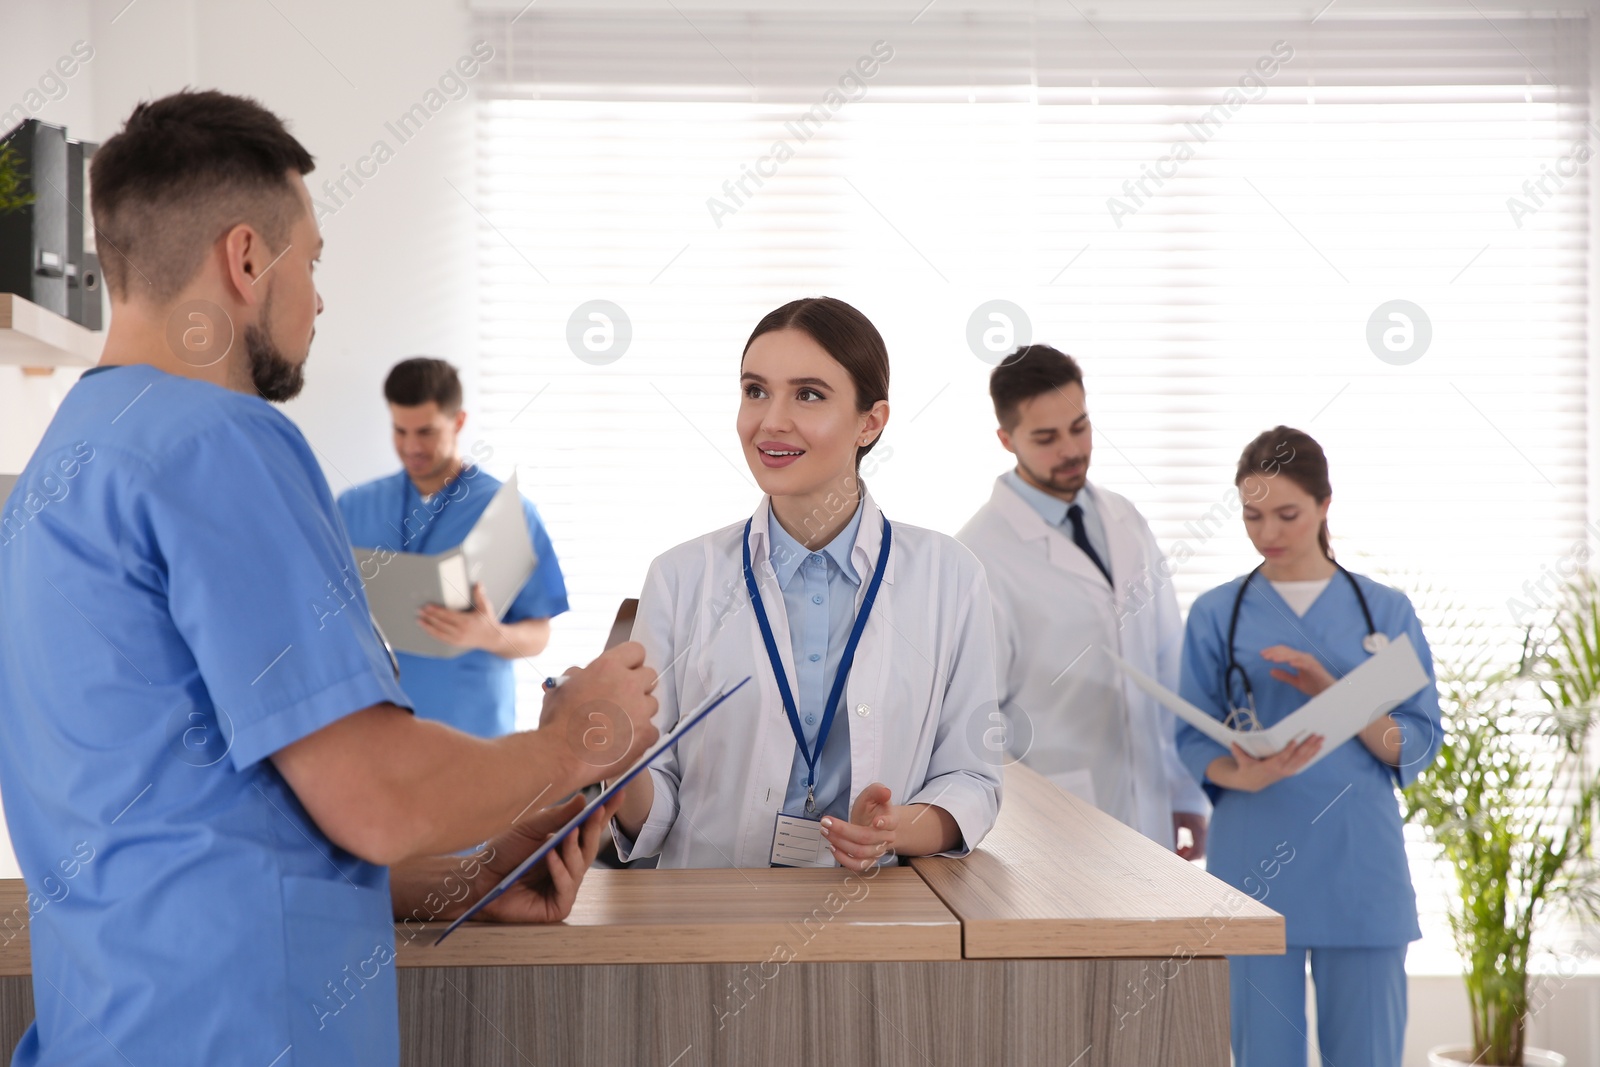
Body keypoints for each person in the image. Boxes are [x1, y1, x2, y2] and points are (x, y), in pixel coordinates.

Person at [0, 90, 658, 1067]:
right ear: (246, 258)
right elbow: (377, 797)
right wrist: (574, 742)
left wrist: (463, 874)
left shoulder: (61, 467)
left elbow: (211, 826)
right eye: (312, 260)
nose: (318, 295)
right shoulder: (220, 442)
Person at [611, 296, 1002, 870]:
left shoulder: (950, 576)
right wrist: (617, 759)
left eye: (809, 394)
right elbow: (658, 802)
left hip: (876, 917)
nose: (771, 421)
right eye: (755, 391)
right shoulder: (680, 577)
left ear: (871, 423)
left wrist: (896, 829)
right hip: (711, 913)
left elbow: (971, 777)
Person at [1176, 426, 1442, 1067]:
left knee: (1369, 1056)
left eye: (1287, 513)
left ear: (1325, 506)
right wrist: (1242, 776)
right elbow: (1190, 736)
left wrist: (1338, 692)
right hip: (1252, 864)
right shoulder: (1218, 613)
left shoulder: (1385, 611)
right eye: (1252, 515)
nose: (1269, 531)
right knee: (1262, 1056)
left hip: (1361, 869)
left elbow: (1417, 744)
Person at [956, 345, 1209, 856]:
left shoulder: (1126, 521)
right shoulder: (978, 554)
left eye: (1080, 427)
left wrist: (1185, 793)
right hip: (1052, 830)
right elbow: (976, 718)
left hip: (1151, 809)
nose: (1071, 450)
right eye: (1046, 438)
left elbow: (1168, 666)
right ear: (1007, 440)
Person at [337, 357, 569, 738]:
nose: (411, 446)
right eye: (400, 430)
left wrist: (488, 634)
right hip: (375, 732)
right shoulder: (353, 506)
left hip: (473, 732)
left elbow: (539, 633)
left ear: (458, 422)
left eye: (426, 432)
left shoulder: (507, 512)